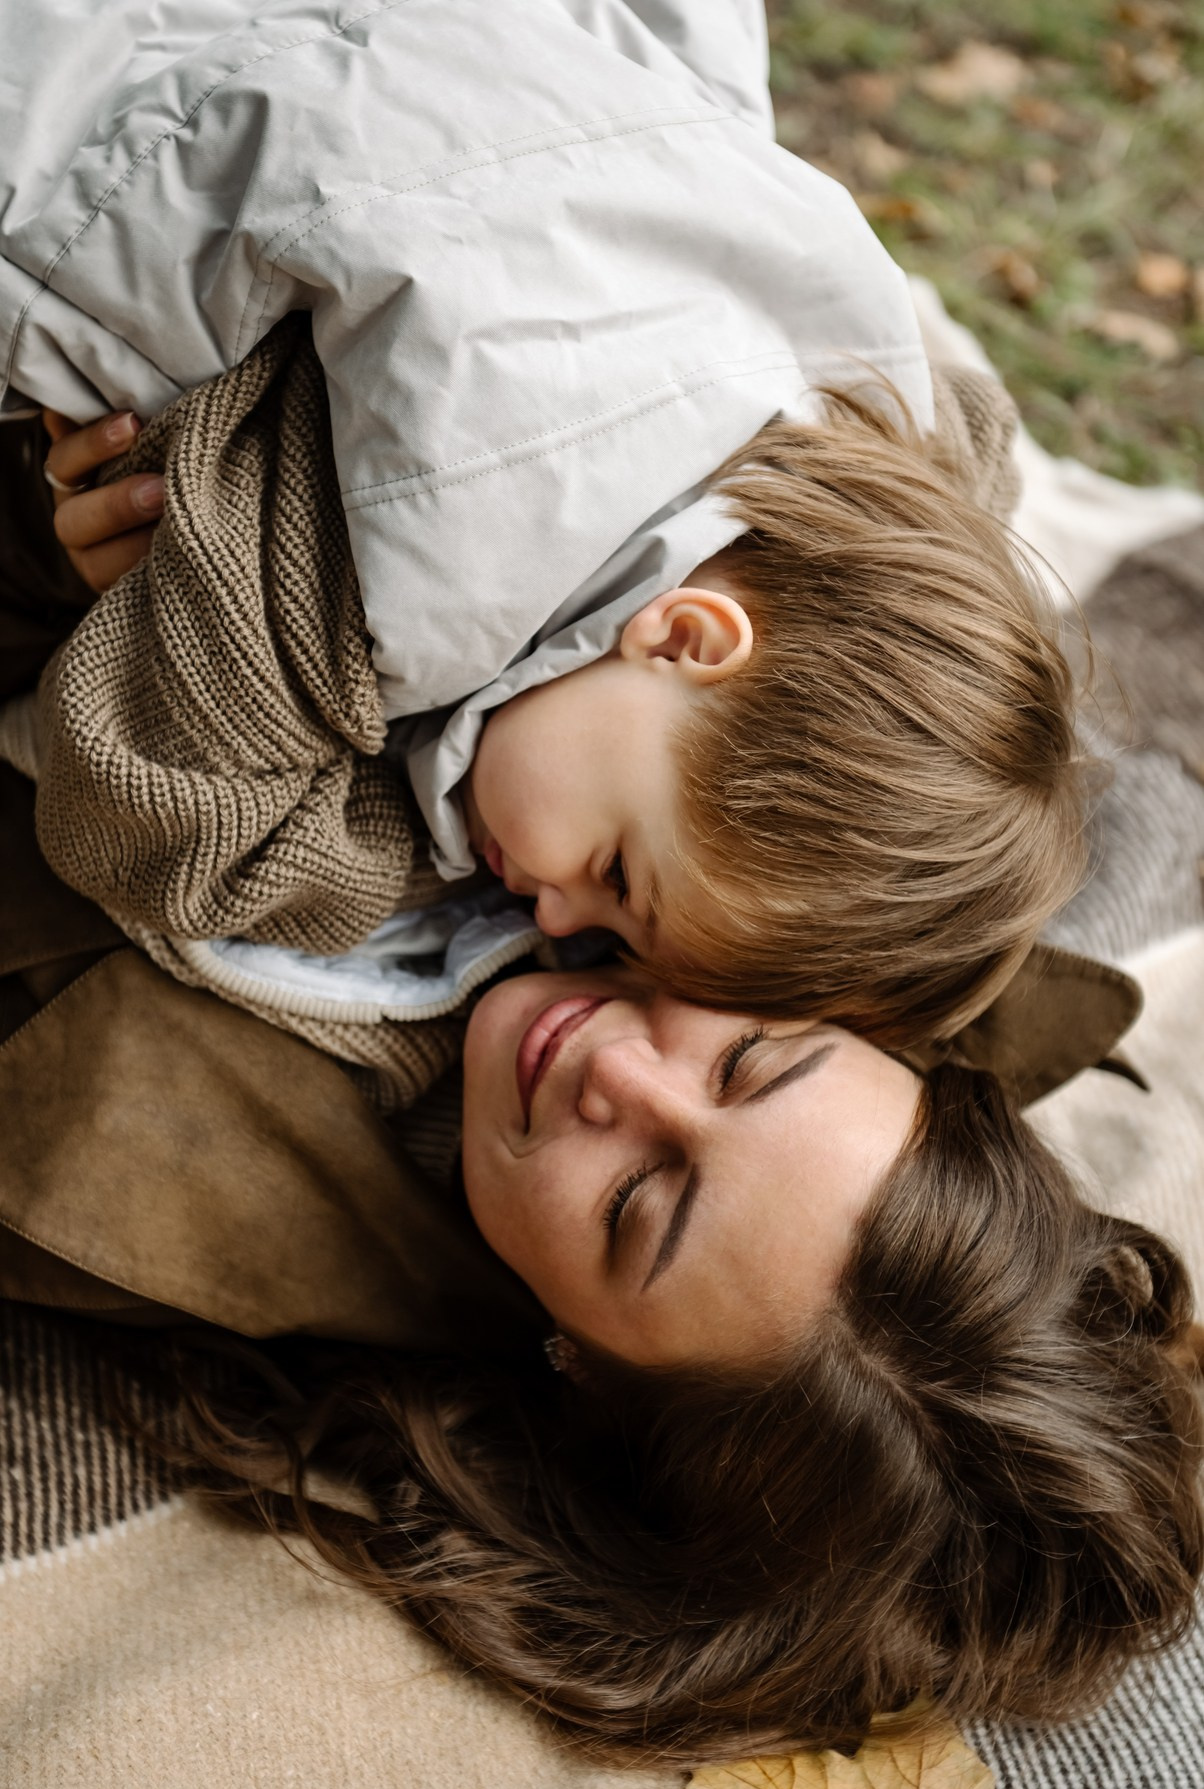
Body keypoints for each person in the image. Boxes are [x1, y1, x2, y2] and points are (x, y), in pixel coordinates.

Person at [3, 0, 1085, 1050]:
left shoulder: (835, 405)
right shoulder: (451, 557)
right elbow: (161, 827)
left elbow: (967, 443)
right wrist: (396, 839)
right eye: (614, 876)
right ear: (684, 637)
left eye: (601, 932)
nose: (551, 920)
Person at [136, 959, 1204, 1764]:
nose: (616, 1067)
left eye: (633, 1202)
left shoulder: (150, 1146)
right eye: (751, 1061)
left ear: (587, 1368)